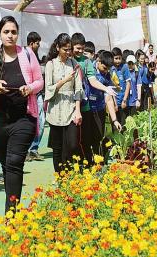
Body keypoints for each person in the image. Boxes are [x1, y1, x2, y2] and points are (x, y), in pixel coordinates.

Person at [0, 16, 43, 212]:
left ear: (18, 34)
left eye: (13, 32)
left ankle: (11, 213)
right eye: (6, 32)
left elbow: (39, 81)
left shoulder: (26, 53)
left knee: (14, 162)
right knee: (7, 167)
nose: (10, 35)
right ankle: (13, 207)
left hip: (23, 118)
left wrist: (30, 88)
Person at [70, 33, 116, 164]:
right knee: (73, 142)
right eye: (77, 48)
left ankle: (91, 164)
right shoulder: (67, 59)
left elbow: (92, 81)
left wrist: (106, 89)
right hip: (69, 104)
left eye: (82, 49)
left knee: (90, 138)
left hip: (86, 107)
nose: (80, 51)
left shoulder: (86, 62)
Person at [45, 33, 82, 173]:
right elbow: (48, 89)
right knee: (57, 147)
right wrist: (64, 81)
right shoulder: (50, 64)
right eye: (65, 49)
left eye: (69, 49)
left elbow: (78, 88)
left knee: (72, 145)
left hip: (71, 108)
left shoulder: (74, 64)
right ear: (57, 48)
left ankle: (68, 173)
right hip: (55, 109)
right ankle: (60, 176)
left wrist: (78, 110)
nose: (68, 52)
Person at [86, 51, 122, 163]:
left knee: (99, 137)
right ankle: (87, 163)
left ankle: (98, 163)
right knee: (87, 138)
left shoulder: (107, 75)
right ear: (98, 61)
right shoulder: (89, 69)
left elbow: (109, 99)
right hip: (87, 109)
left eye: (108, 69)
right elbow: (93, 83)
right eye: (104, 68)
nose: (106, 71)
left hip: (99, 109)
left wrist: (115, 120)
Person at [26, 31, 45, 161]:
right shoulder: (25, 55)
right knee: (28, 123)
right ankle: (26, 150)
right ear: (32, 43)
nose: (39, 45)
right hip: (27, 95)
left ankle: (33, 149)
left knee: (41, 122)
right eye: (37, 43)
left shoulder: (35, 55)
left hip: (37, 94)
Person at [111, 47, 131, 127]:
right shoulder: (110, 68)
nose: (118, 61)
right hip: (113, 101)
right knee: (115, 125)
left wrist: (125, 100)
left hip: (123, 101)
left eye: (119, 58)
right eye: (116, 58)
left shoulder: (125, 67)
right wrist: (114, 103)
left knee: (123, 125)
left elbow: (128, 83)